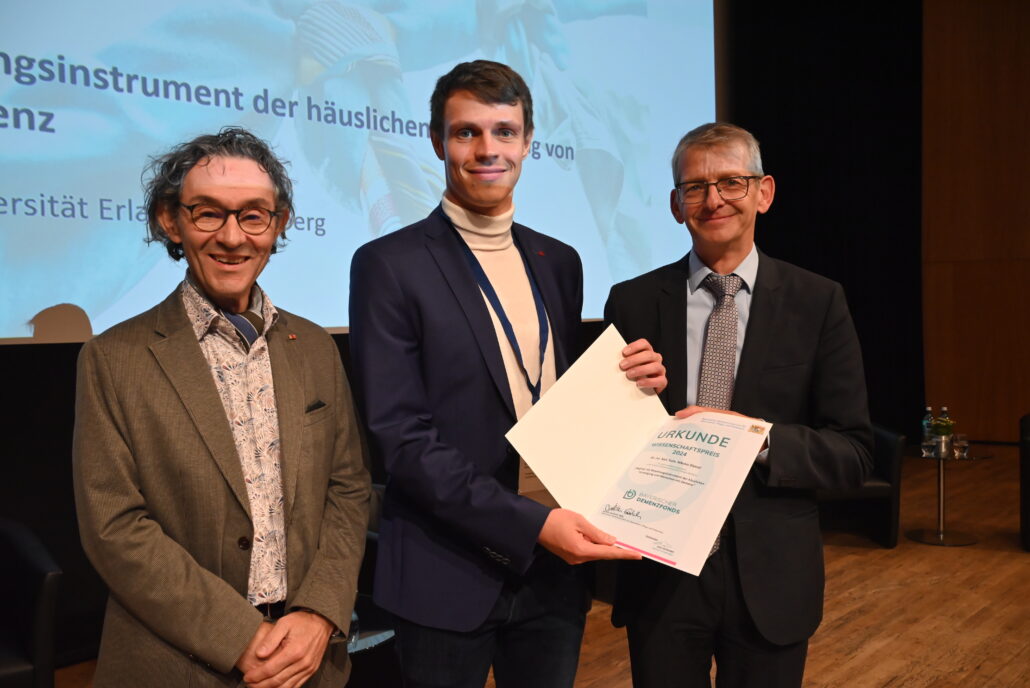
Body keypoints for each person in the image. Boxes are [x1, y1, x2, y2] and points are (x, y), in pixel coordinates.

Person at [348, 60, 664, 688]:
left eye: (504, 131)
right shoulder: (389, 264)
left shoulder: (559, 261)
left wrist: (633, 384)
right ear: (438, 142)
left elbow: (554, 398)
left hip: (555, 571)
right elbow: (401, 440)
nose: (487, 149)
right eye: (467, 132)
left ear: (527, 141)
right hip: (447, 572)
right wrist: (531, 524)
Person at [72, 127, 370, 688]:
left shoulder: (315, 347)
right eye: (208, 213)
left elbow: (348, 489)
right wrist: (238, 636)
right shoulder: (113, 359)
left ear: (277, 224)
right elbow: (115, 527)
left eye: (253, 215)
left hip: (309, 658)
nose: (233, 237)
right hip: (174, 662)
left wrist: (320, 612)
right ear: (171, 220)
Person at [604, 122, 873, 688]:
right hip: (662, 575)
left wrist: (756, 436)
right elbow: (607, 442)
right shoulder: (630, 301)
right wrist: (630, 402)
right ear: (676, 206)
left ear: (764, 193)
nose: (714, 199)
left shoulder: (817, 302)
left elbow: (853, 451)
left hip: (771, 577)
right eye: (695, 187)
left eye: (731, 181)